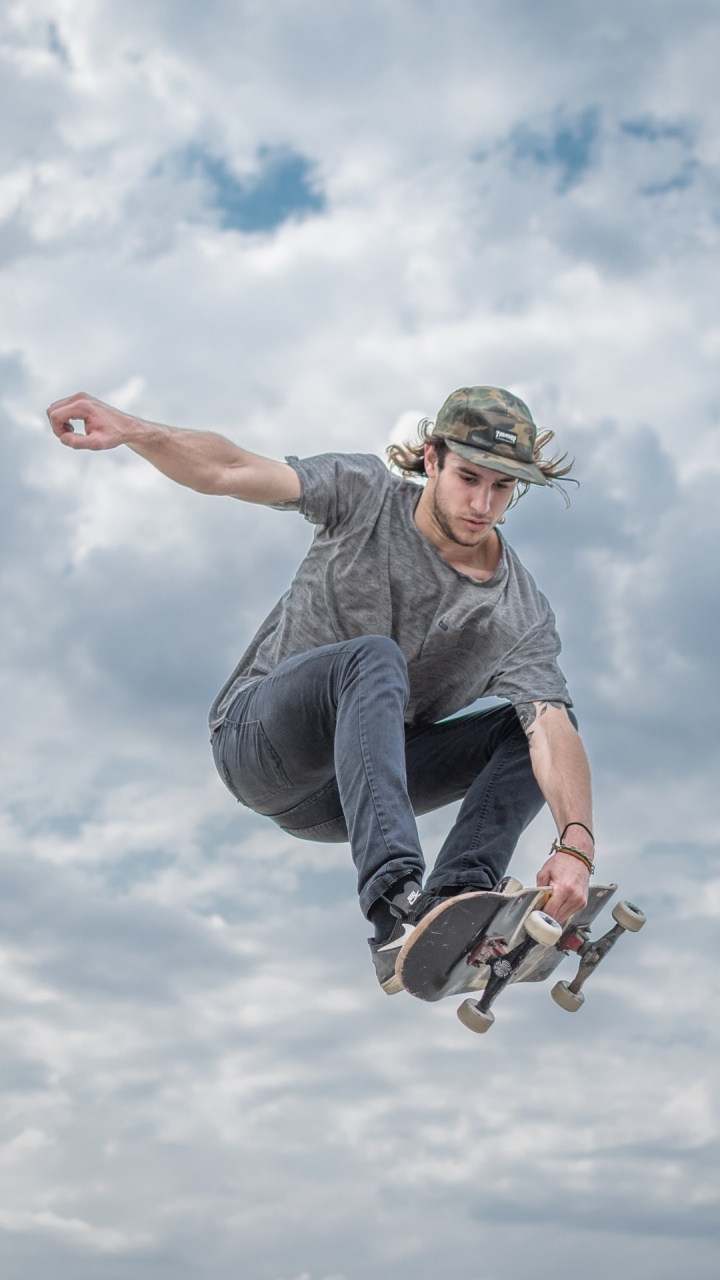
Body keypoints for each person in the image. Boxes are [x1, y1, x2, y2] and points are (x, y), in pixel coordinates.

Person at [47, 385, 596, 994]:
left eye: (502, 488)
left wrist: (576, 844)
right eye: (469, 478)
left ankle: (450, 905)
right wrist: (137, 432)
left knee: (524, 730)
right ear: (432, 458)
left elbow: (551, 727)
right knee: (372, 660)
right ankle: (396, 904)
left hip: (349, 795)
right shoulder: (361, 493)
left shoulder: (517, 610)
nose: (482, 504)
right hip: (260, 744)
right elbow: (232, 468)